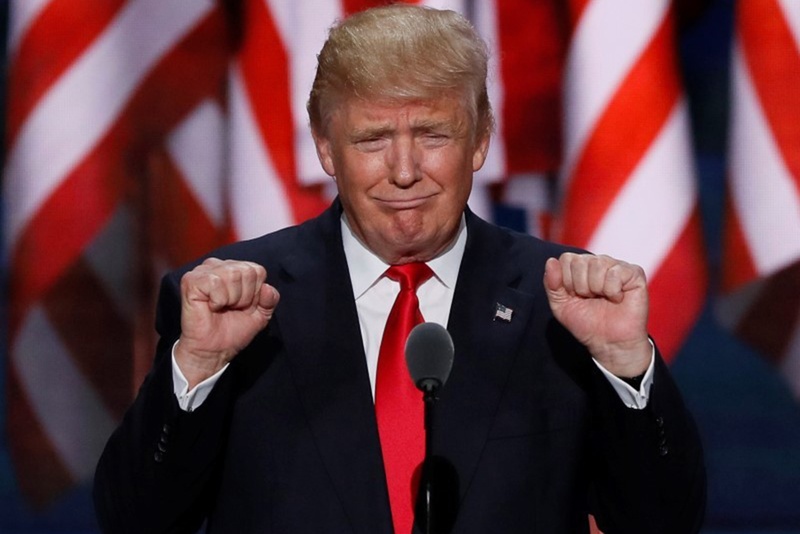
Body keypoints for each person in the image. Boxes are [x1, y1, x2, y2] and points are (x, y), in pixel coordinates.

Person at [93, 5, 705, 533]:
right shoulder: (232, 302)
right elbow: (137, 522)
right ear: (326, 147)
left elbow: (662, 523)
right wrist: (197, 369)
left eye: (433, 134)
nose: (405, 170)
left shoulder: (562, 305)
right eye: (372, 139)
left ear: (481, 140)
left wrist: (627, 368)